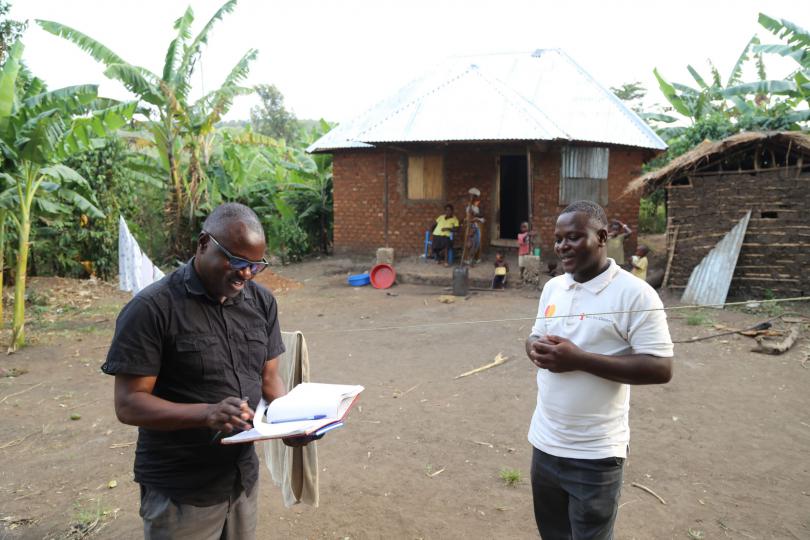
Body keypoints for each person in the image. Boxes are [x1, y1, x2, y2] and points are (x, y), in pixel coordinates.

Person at [102, 203, 313, 539]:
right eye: (237, 261)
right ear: (203, 244)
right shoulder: (152, 309)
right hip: (182, 490)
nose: (246, 273)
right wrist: (207, 413)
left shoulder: (262, 303)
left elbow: (270, 381)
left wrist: (296, 424)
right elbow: (128, 403)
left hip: (240, 479)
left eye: (255, 265)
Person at [525, 200, 673, 540]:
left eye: (574, 237)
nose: (563, 246)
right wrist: (533, 347)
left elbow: (661, 367)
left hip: (595, 455)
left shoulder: (635, 294)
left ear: (602, 236)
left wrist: (579, 359)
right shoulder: (553, 287)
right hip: (545, 445)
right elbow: (535, 334)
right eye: (559, 238)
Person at [463, 188, 485, 265]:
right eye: (470, 196)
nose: (471, 198)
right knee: (469, 243)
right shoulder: (468, 206)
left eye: (473, 196)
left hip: (477, 225)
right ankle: (468, 258)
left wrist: (475, 215)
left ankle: (476, 258)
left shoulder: (478, 205)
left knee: (477, 242)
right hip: (470, 225)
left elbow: (482, 215)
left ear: (475, 197)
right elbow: (468, 216)